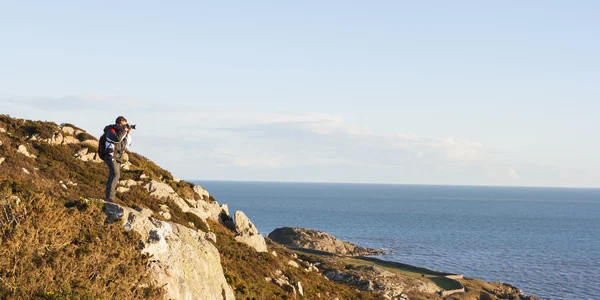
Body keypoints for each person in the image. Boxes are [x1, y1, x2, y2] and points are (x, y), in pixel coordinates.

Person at [103, 116, 132, 202]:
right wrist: (124, 131)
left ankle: (108, 196)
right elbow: (117, 139)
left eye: (125, 125)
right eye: (123, 125)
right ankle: (110, 196)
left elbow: (127, 145)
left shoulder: (121, 133)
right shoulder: (110, 131)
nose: (124, 127)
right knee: (116, 174)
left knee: (113, 175)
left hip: (118, 157)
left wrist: (128, 134)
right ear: (118, 123)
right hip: (110, 155)